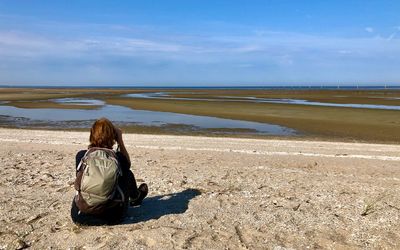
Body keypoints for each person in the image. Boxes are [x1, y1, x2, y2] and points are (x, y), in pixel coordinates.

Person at [71, 118, 148, 225]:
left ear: (91, 135)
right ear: (113, 136)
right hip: (112, 217)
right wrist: (120, 140)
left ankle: (135, 196)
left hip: (80, 215)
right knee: (127, 173)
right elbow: (128, 165)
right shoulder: (119, 158)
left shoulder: (82, 156)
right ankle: (136, 197)